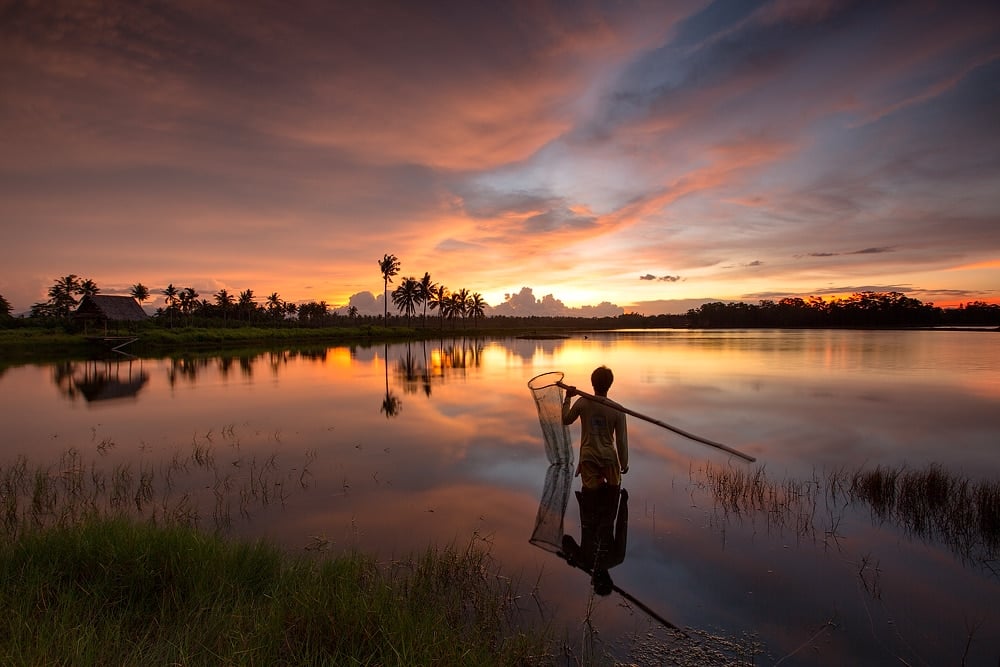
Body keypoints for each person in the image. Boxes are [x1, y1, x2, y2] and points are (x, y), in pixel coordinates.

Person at [561, 366, 629, 490]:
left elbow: (566, 419)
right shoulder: (618, 410)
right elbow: (621, 442)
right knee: (613, 495)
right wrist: (624, 463)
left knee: (590, 496)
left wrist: (568, 397)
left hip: (588, 457)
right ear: (610, 384)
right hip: (609, 458)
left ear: (592, 383)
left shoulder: (582, 402)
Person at [561, 484, 629, 596]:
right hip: (589, 503)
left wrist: (623, 502)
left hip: (609, 501)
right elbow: (566, 540)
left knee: (609, 469)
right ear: (594, 580)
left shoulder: (617, 558)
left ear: (609, 577)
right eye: (593, 583)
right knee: (590, 471)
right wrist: (570, 556)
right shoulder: (584, 561)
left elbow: (621, 527)